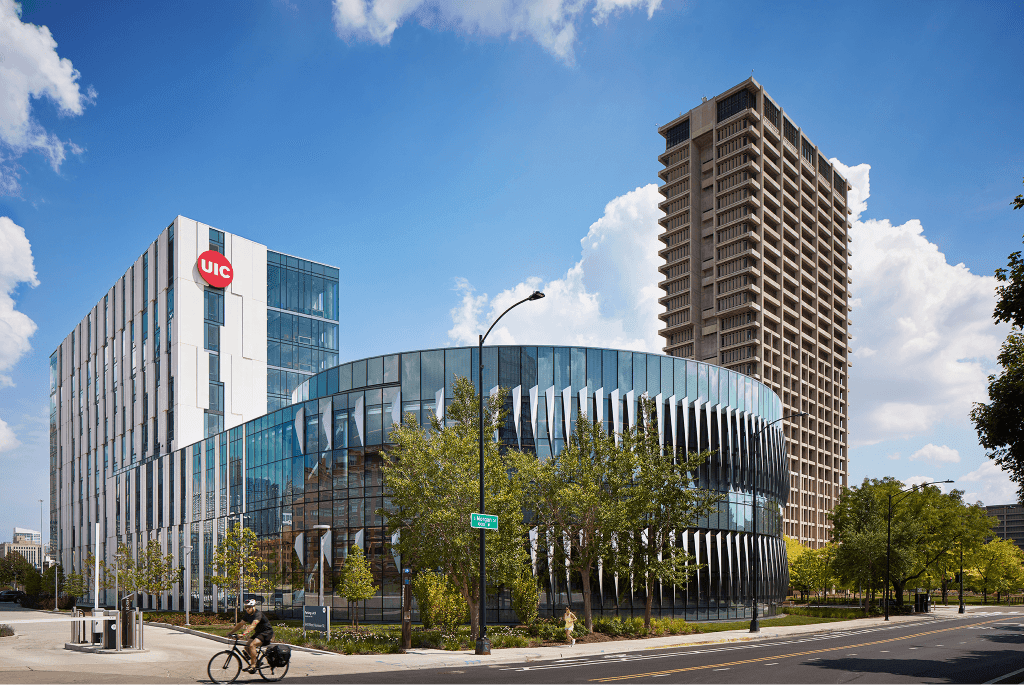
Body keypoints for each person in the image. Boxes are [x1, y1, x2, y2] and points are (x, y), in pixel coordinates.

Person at [229, 599, 273, 673]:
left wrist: (243, 634)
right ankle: (257, 662)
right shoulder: (248, 615)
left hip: (266, 633)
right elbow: (240, 624)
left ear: (253, 607)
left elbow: (253, 625)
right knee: (247, 646)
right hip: (259, 633)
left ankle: (253, 666)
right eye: (245, 607)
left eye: (248, 607)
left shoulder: (258, 614)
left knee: (252, 645)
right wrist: (231, 632)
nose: (247, 609)